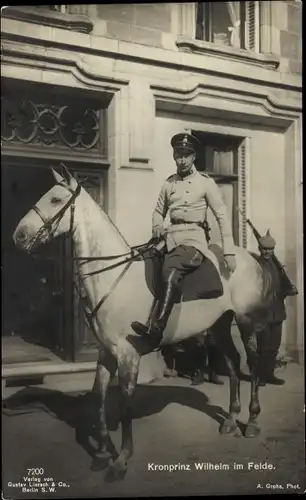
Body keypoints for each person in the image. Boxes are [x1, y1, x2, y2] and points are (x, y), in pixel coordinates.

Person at [131, 133, 237, 352]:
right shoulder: (168, 183)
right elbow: (158, 212)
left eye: (186, 155)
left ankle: (156, 331)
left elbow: (222, 216)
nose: (182, 160)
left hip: (194, 239)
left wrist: (229, 251)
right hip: (170, 236)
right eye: (178, 155)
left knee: (171, 268)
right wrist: (157, 225)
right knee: (141, 258)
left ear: (194, 157)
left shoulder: (205, 183)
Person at [256, 230, 295, 386]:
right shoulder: (256, 265)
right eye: (264, 249)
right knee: (262, 346)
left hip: (277, 311)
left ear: (273, 250)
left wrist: (289, 289)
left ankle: (269, 374)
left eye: (270, 249)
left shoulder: (276, 265)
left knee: (274, 346)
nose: (267, 252)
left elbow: (282, 286)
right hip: (263, 312)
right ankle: (259, 377)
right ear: (260, 249)